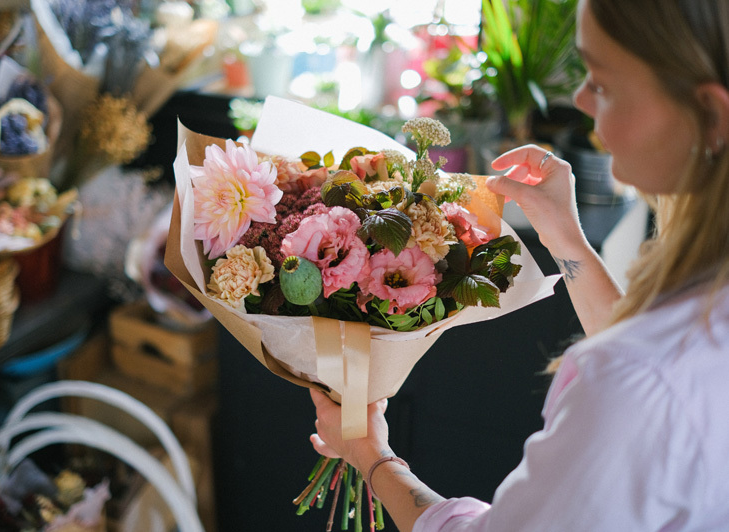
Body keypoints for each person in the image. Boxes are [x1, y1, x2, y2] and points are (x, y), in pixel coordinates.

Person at [309, 0, 729, 529]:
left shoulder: (632, 380)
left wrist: (370, 457)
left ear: (710, 114)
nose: (579, 100)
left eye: (602, 83)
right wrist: (564, 235)